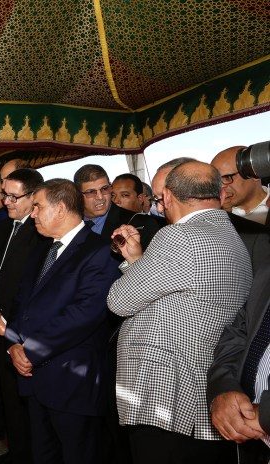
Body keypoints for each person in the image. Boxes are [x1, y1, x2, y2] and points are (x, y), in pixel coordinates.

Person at [108, 160, 253, 463]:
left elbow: (119, 301)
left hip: (168, 394)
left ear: (169, 196)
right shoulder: (233, 237)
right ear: (218, 193)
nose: (160, 208)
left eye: (159, 199)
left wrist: (136, 266)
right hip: (206, 386)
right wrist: (138, 261)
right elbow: (181, 291)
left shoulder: (178, 236)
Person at [5, 179, 121, 464]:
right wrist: (14, 343)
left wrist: (30, 350)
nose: (32, 213)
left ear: (59, 209)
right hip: (34, 377)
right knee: (43, 454)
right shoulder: (43, 248)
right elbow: (22, 301)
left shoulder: (100, 251)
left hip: (72, 381)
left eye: (37, 207)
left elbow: (84, 314)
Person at [0, 168, 48, 464]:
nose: (6, 201)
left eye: (13, 196)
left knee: (29, 403)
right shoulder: (2, 228)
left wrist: (11, 324)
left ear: (34, 196)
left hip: (25, 333)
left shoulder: (42, 234)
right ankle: (18, 452)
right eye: (5, 195)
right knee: (9, 398)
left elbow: (37, 288)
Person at [154, 157, 270, 276]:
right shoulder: (165, 237)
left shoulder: (253, 237)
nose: (159, 209)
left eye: (165, 198)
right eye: (157, 199)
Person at [207, 265, 270, 464]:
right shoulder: (266, 272)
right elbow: (237, 334)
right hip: (254, 446)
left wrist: (264, 414)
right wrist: (223, 389)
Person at [73, 165, 160, 251]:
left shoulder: (141, 224)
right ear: (78, 195)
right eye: (91, 192)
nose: (100, 197)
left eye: (104, 189)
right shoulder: (70, 224)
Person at [212, 146, 269, 225]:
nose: (220, 187)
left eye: (227, 177)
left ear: (255, 175)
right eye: (215, 180)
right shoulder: (213, 217)